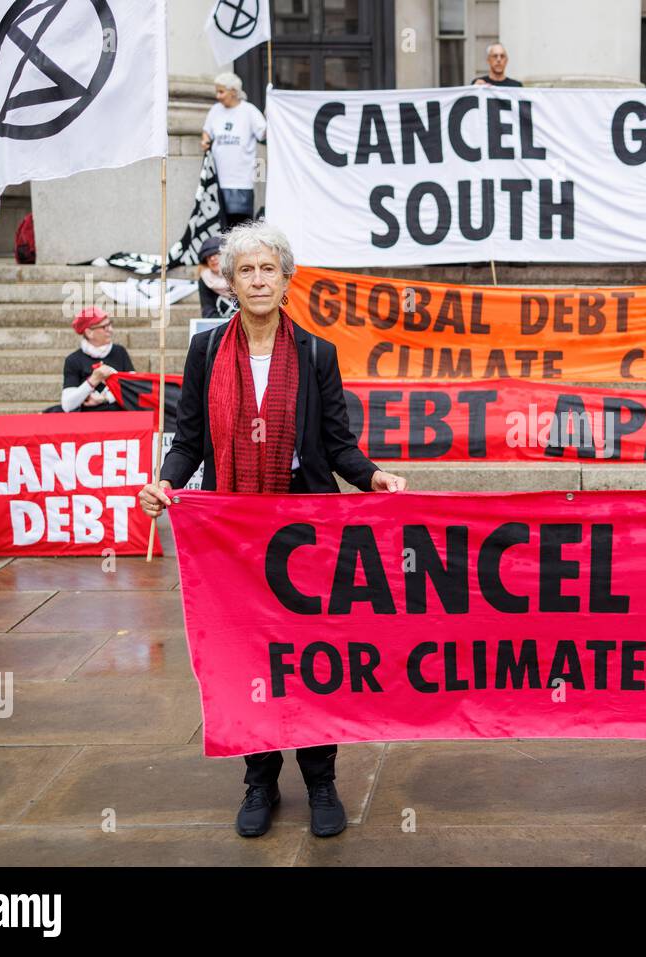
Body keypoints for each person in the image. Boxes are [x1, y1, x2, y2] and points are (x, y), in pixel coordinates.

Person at [138, 222, 408, 840]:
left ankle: (320, 778)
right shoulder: (207, 352)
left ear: (287, 280)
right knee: (245, 652)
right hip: (231, 528)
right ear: (229, 283)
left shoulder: (316, 353)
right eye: (246, 271)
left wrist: (373, 479)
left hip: (304, 527)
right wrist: (164, 481)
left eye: (269, 269)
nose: (258, 280)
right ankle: (259, 779)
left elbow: (339, 447)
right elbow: (189, 442)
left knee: (313, 654)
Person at [201, 74, 266, 230]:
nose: (218, 96)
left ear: (233, 91)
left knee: (241, 227)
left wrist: (271, 113)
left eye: (221, 92)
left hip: (241, 181)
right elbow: (206, 132)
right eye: (217, 92)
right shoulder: (215, 110)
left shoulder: (249, 111)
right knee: (220, 227)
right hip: (217, 180)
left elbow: (263, 134)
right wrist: (205, 140)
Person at [60, 307, 134, 413]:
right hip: (88, 421)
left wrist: (106, 398)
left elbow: (133, 389)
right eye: (104, 327)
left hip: (119, 416)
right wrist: (93, 380)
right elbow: (67, 405)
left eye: (110, 324)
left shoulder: (119, 352)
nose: (111, 330)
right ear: (89, 332)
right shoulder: (73, 360)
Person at [196, 234, 236, 319]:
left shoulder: (239, 275)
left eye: (217, 253)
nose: (212, 259)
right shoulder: (205, 280)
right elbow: (208, 313)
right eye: (208, 256)